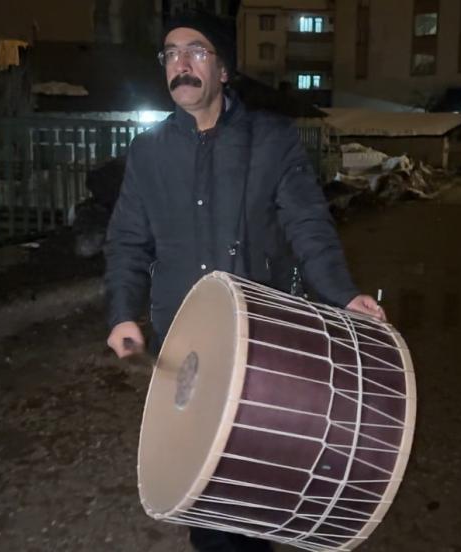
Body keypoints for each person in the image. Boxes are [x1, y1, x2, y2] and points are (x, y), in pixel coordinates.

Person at [102, 10, 385, 552]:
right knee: (205, 487)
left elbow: (308, 225)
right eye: (171, 54)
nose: (181, 64)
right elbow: (127, 243)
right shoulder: (148, 152)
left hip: (261, 341)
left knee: (256, 478)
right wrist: (121, 313)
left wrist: (342, 294)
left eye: (196, 51)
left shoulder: (272, 140)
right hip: (185, 344)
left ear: (224, 70)